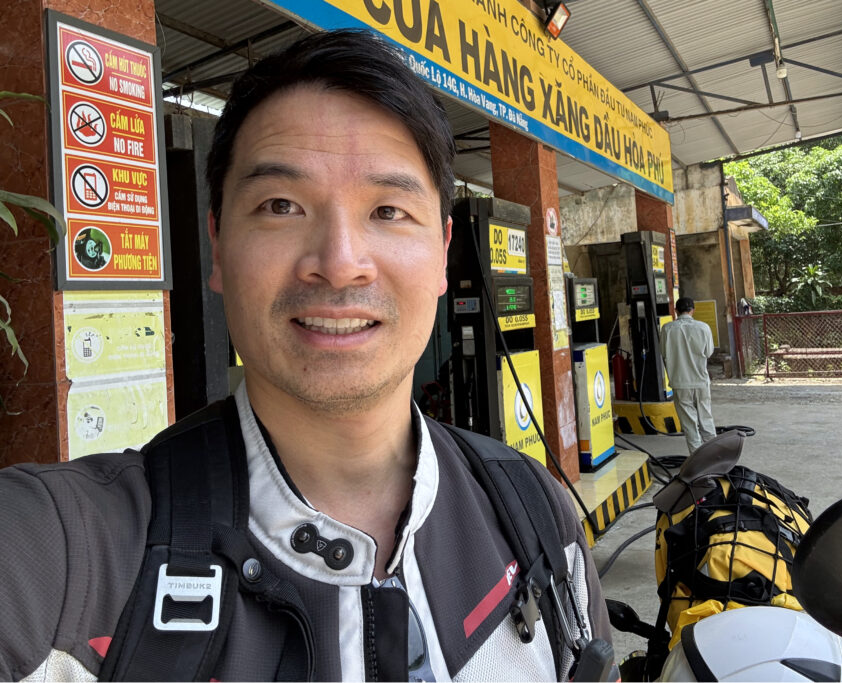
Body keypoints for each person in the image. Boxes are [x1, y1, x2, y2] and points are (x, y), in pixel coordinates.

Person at [0, 30, 610, 681]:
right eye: (281, 206)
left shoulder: (534, 513)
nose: (340, 263)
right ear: (217, 244)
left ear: (442, 252)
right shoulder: (62, 557)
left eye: (388, 210)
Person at [661, 297, 716, 454]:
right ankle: (714, 456)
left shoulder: (667, 329)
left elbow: (664, 353)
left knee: (689, 424)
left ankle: (698, 459)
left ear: (676, 311)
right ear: (693, 310)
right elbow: (708, 352)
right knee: (706, 418)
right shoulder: (703, 327)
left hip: (680, 382)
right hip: (701, 380)